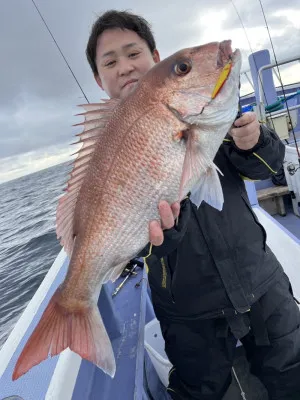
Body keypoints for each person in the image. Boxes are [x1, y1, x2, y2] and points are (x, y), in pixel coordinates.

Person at [85, 10, 300, 400]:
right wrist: (163, 233)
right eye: (110, 61)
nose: (125, 67)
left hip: (260, 281)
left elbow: (264, 165)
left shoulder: (205, 113)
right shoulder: (106, 148)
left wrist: (256, 140)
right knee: (206, 392)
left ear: (155, 56)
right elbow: (141, 242)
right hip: (187, 311)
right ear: (100, 80)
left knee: (292, 371)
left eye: (133, 53)